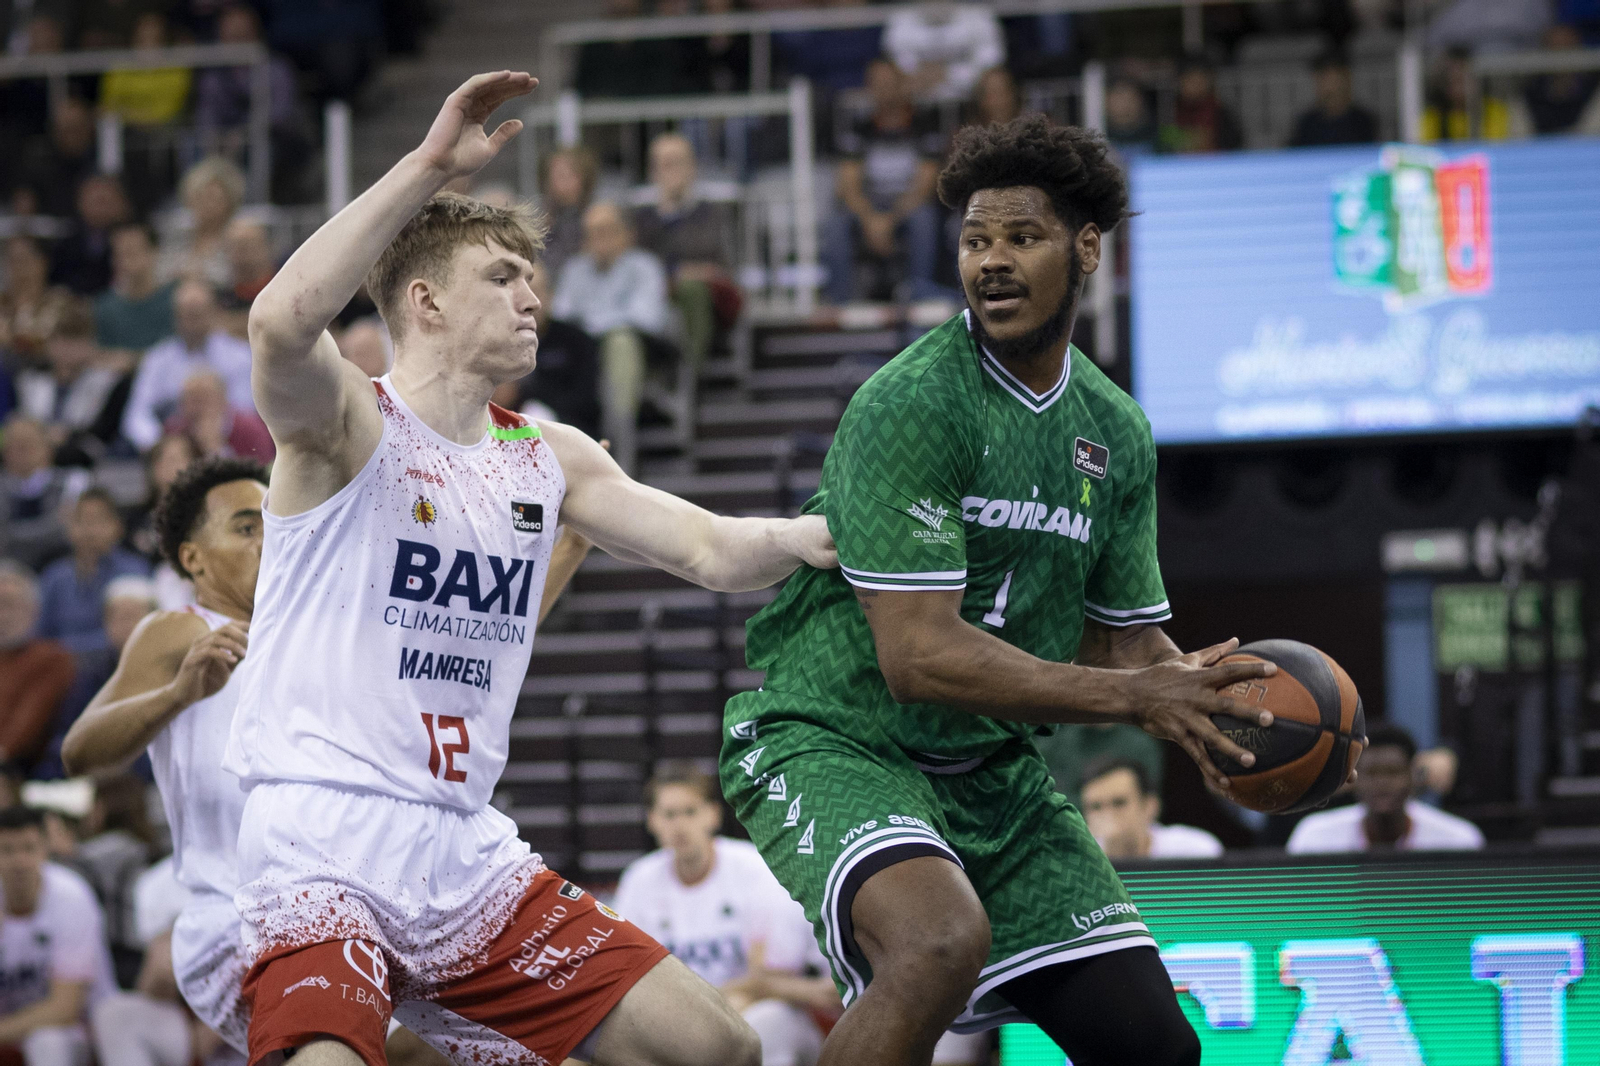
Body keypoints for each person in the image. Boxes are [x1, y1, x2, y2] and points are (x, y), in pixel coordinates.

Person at [218, 70, 833, 1066]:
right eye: (501, 275)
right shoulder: (348, 426)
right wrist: (426, 170)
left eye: (529, 276)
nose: (531, 294)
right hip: (321, 841)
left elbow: (714, 550)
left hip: (464, 850)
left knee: (718, 1046)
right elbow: (279, 322)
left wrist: (815, 534)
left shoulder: (552, 456)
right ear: (423, 299)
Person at [720, 115, 1328, 1066]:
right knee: (937, 943)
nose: (991, 262)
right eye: (974, 241)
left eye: (1021, 237)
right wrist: (1137, 698)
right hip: (837, 737)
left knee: (1156, 1049)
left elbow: (1129, 643)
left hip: (991, 771)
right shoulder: (910, 403)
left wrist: (1208, 709)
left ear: (1087, 248)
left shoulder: (1115, 431)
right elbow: (918, 656)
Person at [61, 455, 600, 1063]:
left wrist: (575, 537)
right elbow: (80, 753)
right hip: (237, 918)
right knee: (428, 1049)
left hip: (358, 906)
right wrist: (177, 693)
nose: (268, 535)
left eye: (271, 518)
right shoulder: (180, 630)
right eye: (244, 527)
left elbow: (485, 640)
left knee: (529, 1052)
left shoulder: (328, 623)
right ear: (193, 559)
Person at [615, 764, 840, 1066]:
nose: (679, 825)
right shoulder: (639, 880)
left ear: (713, 815)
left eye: (690, 812)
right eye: (669, 814)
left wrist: (739, 997)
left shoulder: (755, 870)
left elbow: (781, 979)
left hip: (755, 1012)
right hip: (679, 1020)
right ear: (653, 821)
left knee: (770, 1023)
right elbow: (627, 979)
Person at [553, 200, 671, 474]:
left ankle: (620, 447)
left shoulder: (644, 267)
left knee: (619, 341)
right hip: (584, 355)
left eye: (606, 230)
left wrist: (593, 326)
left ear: (626, 234)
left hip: (636, 352)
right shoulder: (575, 270)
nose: (598, 239)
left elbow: (646, 318)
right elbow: (560, 315)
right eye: (592, 232)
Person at [0, 805, 117, 1066]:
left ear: (44, 850)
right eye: (7, 850)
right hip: (12, 1027)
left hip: (83, 1028)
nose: (19, 862)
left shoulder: (70, 896)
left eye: (28, 849)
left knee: (46, 1042)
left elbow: (65, 1008)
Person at [824, 58, 948, 305]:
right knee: (836, 223)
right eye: (876, 83)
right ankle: (841, 303)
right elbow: (848, 186)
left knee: (924, 218)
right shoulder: (858, 129)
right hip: (871, 205)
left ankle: (918, 296)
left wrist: (889, 221)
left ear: (902, 84)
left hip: (909, 205)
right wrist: (871, 219)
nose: (883, 89)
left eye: (888, 82)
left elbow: (925, 186)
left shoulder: (925, 125)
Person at [1288, 724, 1483, 853]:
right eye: (1372, 773)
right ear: (1354, 779)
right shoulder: (1312, 837)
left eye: (1392, 772)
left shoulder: (1459, 841)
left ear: (1413, 777)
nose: (1382, 783)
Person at [634, 133, 738, 369]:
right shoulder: (641, 219)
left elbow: (724, 266)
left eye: (677, 162)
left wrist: (684, 275)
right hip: (648, 297)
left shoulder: (712, 215)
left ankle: (690, 372)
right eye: (664, 164)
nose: (671, 171)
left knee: (691, 291)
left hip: (700, 299)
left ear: (692, 168)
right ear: (652, 171)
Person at [121, 280, 254, 451]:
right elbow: (136, 415)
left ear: (214, 311)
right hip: (170, 445)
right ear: (176, 316)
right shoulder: (157, 359)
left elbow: (245, 409)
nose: (192, 320)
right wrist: (162, 445)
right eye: (186, 314)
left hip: (230, 443)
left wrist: (209, 435)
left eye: (198, 313)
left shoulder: (240, 355)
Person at [36, 488, 151, 653]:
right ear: (69, 527)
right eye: (82, 520)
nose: (90, 529)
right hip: (62, 669)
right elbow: (40, 634)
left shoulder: (134, 570)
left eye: (99, 520)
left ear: (118, 527)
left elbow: (131, 632)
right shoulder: (54, 577)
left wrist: (65, 648)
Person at [493, 261, 600, 437]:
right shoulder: (496, 342)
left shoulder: (577, 341)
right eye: (520, 293)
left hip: (567, 432)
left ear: (551, 295)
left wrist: (522, 391)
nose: (530, 302)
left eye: (537, 291)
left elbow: (587, 404)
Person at [16, 299, 130, 464]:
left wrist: (68, 434)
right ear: (48, 343)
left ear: (91, 343)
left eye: (75, 339)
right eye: (60, 338)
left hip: (83, 459)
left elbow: (104, 432)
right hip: (33, 459)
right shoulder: (29, 380)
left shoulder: (109, 382)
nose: (67, 348)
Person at [0, 563, 75, 778]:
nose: (3, 615)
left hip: (21, 772)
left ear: (34, 610)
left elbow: (25, 728)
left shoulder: (51, 659)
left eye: (10, 605)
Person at [1079, 756, 1222, 860]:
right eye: (1096, 807)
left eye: (1119, 803)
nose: (1107, 815)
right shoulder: (1077, 862)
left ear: (1150, 806)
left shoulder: (1195, 851)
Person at [0, 415, 89, 570]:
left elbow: (66, 534)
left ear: (47, 448)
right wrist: (52, 525)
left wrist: (13, 534)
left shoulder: (74, 482)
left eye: (27, 445)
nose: (20, 453)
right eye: (13, 446)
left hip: (59, 565)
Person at [883, 2, 1006, 103]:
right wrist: (922, 75)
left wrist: (948, 74)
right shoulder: (900, 20)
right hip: (917, 100)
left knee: (996, 82)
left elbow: (991, 60)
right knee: (885, 78)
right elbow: (899, 62)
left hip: (971, 98)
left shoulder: (980, 16)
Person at [157, 158, 245, 289]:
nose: (206, 205)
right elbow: (159, 274)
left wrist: (196, 278)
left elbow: (236, 279)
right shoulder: (177, 233)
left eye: (213, 198)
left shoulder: (237, 239)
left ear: (230, 203)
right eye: (200, 197)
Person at [96, 223, 177, 360]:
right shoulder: (104, 307)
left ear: (154, 252)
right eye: (119, 254)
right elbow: (101, 356)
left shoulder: (176, 297)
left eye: (132, 252)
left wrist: (132, 360)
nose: (125, 261)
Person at [163, 369, 275, 463]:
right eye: (191, 400)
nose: (198, 408)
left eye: (204, 398)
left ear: (223, 400)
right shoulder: (175, 431)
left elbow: (262, 473)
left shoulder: (251, 430)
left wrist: (216, 450)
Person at [50, 175, 132, 297]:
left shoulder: (131, 242)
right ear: (80, 203)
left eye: (105, 201)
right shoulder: (65, 246)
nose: (100, 208)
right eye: (95, 201)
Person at [0, 236, 74, 369]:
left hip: (46, 375)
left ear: (42, 263)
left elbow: (52, 345)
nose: (17, 268)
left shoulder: (60, 302)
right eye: (11, 261)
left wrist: (11, 340)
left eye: (22, 260)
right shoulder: (2, 301)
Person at [1289, 49, 1379, 148]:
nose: (1330, 87)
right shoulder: (1307, 124)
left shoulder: (1363, 122)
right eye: (1323, 79)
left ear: (1347, 80)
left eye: (1335, 79)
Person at [536, 145, 599, 282]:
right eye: (556, 176)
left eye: (568, 175)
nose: (561, 183)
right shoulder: (540, 221)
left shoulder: (597, 218)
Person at [1422, 48, 1513, 141]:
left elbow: (1496, 147)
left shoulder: (1494, 110)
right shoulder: (1433, 117)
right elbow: (1426, 150)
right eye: (1453, 81)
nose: (1458, 87)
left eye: (1461, 80)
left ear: (1476, 80)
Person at [1158, 60, 1243, 153]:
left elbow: (1233, 146)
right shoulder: (1168, 112)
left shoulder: (1221, 113)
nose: (1195, 86)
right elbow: (1162, 145)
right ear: (1180, 82)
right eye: (1190, 80)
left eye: (1199, 81)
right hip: (1177, 165)